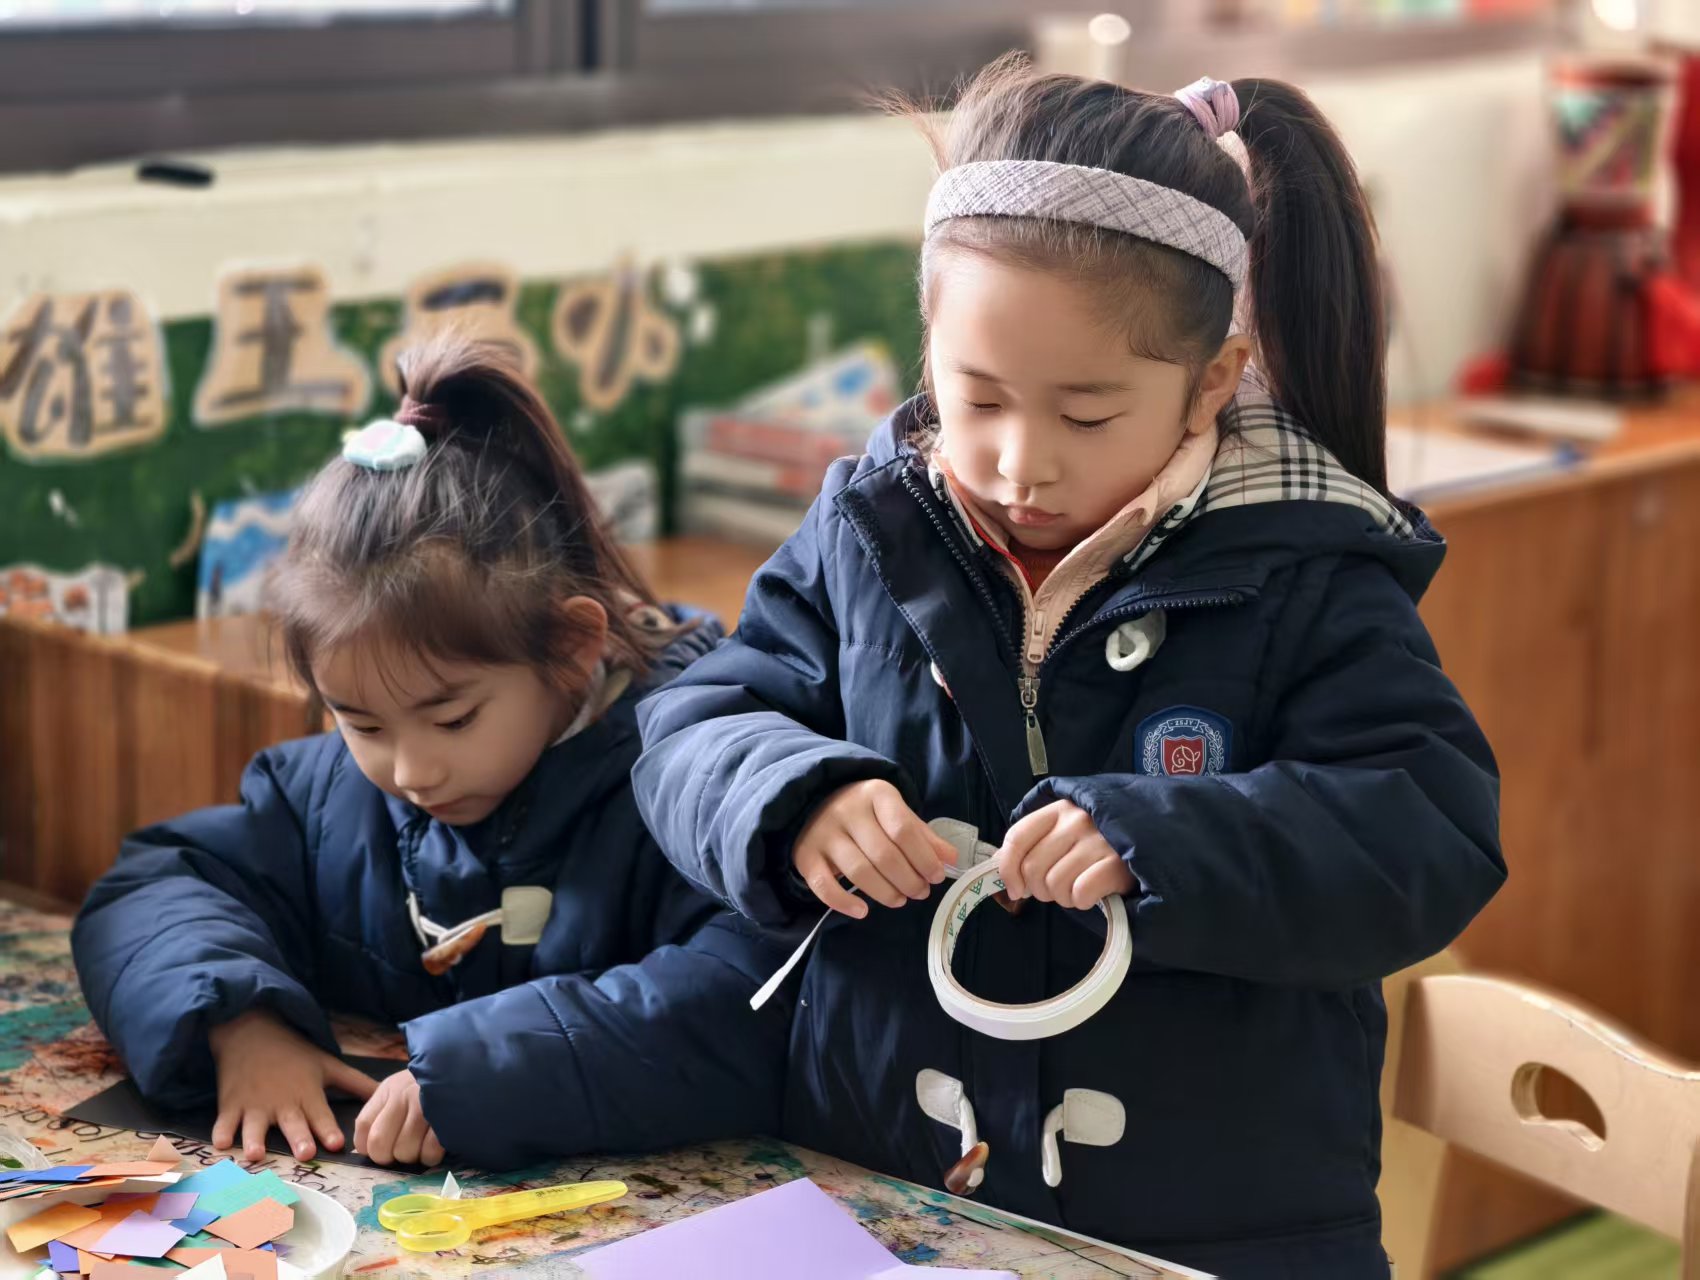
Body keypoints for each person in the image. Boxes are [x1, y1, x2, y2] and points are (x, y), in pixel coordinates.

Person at [633, 57, 1504, 1277]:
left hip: (1222, 1229)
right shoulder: (867, 529)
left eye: (1085, 414)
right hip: (886, 1188)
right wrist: (793, 793)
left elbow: (1425, 828)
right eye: (976, 397)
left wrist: (1161, 838)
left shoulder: (1305, 567)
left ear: (1209, 383)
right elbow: (693, 721)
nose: (1017, 463)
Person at [74, 333, 785, 1172]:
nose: (409, 774)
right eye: (362, 724)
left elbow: (752, 995)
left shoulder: (701, 781)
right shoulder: (328, 800)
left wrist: (484, 1073)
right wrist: (237, 1021)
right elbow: (155, 887)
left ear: (571, 648)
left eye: (451, 720)